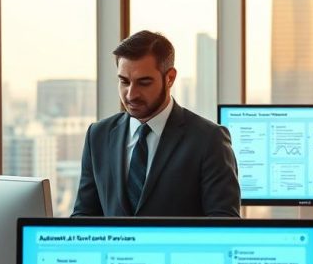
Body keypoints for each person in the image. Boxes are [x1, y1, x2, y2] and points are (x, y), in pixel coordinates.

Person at [72, 30, 240, 217]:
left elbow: (224, 224)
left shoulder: (209, 139)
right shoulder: (98, 135)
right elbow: (83, 217)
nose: (131, 94)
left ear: (170, 78)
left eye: (144, 82)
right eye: (124, 82)